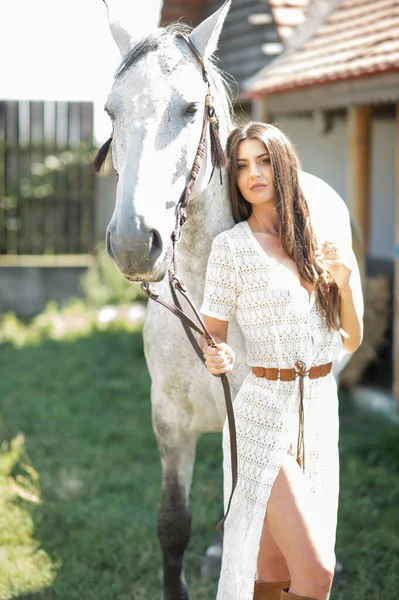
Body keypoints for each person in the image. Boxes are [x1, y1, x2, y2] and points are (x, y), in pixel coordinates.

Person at [199, 122, 363, 600]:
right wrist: (217, 355)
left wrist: (346, 281)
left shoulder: (313, 240)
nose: (253, 174)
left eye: (264, 161)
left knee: (273, 573)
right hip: (261, 414)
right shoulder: (230, 248)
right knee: (317, 573)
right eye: (243, 165)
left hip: (317, 410)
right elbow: (213, 336)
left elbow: (351, 338)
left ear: (284, 164)